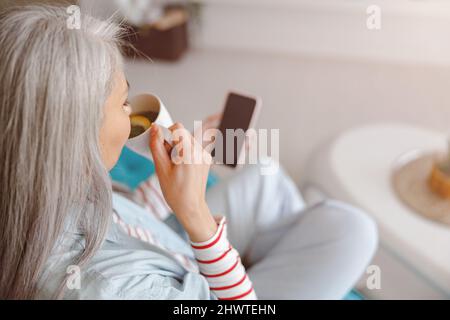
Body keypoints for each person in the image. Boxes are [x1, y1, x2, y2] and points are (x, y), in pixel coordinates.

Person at [0, 5, 378, 300]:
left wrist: (173, 184)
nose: (132, 113)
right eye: (122, 104)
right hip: (197, 274)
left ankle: (276, 246)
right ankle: (271, 254)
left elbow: (123, 223)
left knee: (266, 174)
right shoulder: (111, 289)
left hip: (169, 245)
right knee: (353, 230)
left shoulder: (42, 186)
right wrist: (197, 216)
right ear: (73, 140)